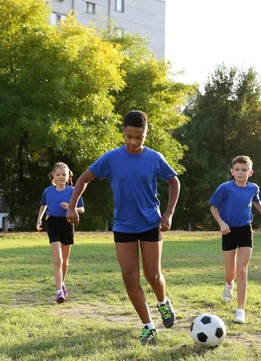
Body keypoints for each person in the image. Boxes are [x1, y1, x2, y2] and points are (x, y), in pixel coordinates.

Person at [66, 110, 180, 345]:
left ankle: (162, 303)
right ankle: (148, 326)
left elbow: (173, 181)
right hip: (124, 225)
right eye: (129, 136)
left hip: (151, 223)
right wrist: (72, 205)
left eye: (139, 137)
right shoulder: (111, 158)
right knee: (129, 277)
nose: (133, 142)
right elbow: (83, 178)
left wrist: (168, 214)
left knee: (152, 275)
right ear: (123, 133)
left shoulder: (154, 158)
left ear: (146, 134)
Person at [209, 155, 261, 325]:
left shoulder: (253, 188)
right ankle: (229, 284)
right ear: (232, 172)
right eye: (237, 170)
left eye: (244, 170)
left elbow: (256, 201)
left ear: (250, 172)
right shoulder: (224, 188)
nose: (240, 173)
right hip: (228, 230)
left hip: (245, 230)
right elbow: (213, 207)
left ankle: (240, 310)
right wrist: (221, 223)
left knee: (242, 270)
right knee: (231, 273)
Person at [37, 162, 85, 304]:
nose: (61, 177)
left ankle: (62, 283)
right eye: (58, 174)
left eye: (64, 174)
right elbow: (43, 206)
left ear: (68, 176)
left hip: (68, 223)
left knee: (65, 262)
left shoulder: (73, 191)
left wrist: (72, 207)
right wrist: (39, 219)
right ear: (53, 176)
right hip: (53, 224)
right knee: (58, 260)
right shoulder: (48, 191)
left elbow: (82, 209)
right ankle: (59, 292)